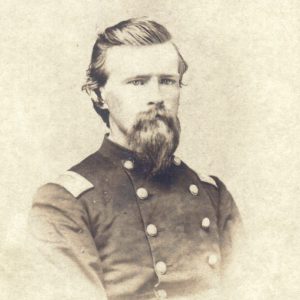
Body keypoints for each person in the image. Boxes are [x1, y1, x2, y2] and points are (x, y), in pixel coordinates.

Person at [28, 17, 242, 300]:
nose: (156, 97)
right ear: (98, 94)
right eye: (137, 82)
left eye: (167, 81)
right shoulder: (64, 202)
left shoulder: (213, 194)